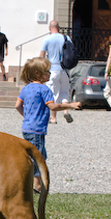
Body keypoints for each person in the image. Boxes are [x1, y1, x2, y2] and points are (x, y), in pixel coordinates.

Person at [15, 57, 81, 192]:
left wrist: (27, 117)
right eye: (47, 72)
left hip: (26, 128)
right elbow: (53, 106)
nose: (50, 74)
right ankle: (36, 186)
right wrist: (70, 105)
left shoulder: (26, 88)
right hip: (38, 130)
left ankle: (29, 183)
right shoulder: (44, 90)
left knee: (31, 155)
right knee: (38, 157)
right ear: (38, 74)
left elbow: (17, 105)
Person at [40, 20, 74, 124]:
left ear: (49, 28)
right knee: (64, 91)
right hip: (64, 69)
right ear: (58, 27)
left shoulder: (47, 39)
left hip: (52, 69)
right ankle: (66, 110)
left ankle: (53, 118)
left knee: (53, 93)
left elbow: (41, 56)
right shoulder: (66, 38)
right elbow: (72, 51)